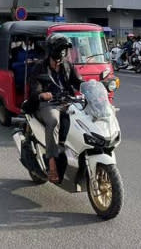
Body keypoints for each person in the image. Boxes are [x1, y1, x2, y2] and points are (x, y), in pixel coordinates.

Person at [26, 34, 83, 183]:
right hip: (48, 104)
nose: (63, 52)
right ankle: (52, 164)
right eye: (61, 49)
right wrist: (41, 94)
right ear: (52, 50)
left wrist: (94, 87)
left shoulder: (67, 65)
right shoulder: (40, 67)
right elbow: (34, 89)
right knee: (53, 121)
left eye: (65, 49)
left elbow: (78, 83)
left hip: (66, 102)